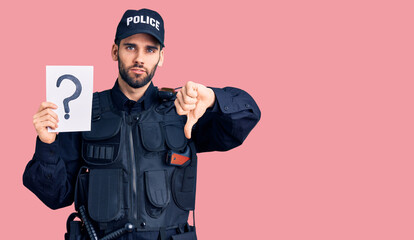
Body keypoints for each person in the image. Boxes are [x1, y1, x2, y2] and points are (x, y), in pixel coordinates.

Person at [23, 8, 260, 240]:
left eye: (150, 49)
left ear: (161, 56)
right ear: (115, 51)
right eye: (130, 47)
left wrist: (213, 98)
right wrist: (47, 144)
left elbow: (246, 118)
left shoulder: (183, 109)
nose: (139, 58)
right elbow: (55, 196)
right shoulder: (81, 109)